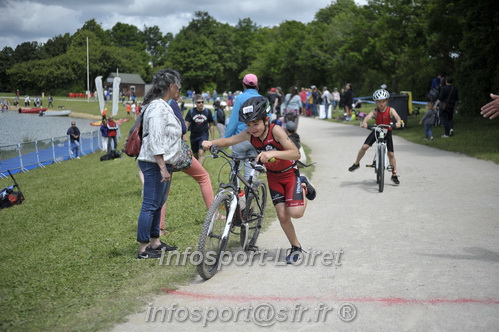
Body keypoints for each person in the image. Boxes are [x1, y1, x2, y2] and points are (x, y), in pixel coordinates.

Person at [202, 96, 316, 264]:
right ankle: (296, 247)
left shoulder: (275, 130)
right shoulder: (249, 134)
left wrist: (272, 153)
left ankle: (304, 184)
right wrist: (212, 142)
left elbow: (295, 153)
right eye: (248, 125)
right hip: (273, 178)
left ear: (266, 120)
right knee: (283, 216)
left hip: (290, 173)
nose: (252, 128)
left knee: (296, 213)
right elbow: (228, 141)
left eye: (255, 124)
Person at [136, 69, 182, 259]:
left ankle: (155, 242)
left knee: (158, 203)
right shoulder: (156, 107)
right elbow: (155, 138)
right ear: (171, 87)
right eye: (178, 86)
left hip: (162, 162)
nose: (179, 90)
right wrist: (162, 166)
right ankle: (144, 248)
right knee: (150, 204)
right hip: (154, 162)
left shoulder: (164, 106)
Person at [158, 93, 215, 235]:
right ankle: (215, 214)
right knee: (204, 177)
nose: (179, 93)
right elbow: (183, 128)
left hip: (158, 153)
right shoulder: (171, 103)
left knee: (163, 192)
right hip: (174, 152)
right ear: (171, 87)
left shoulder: (153, 103)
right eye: (178, 89)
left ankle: (159, 228)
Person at [348, 89, 402, 185]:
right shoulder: (375, 111)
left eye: (383, 101)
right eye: (379, 102)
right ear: (376, 102)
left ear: (387, 101)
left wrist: (398, 122)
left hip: (387, 132)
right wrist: (364, 122)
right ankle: (356, 163)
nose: (381, 104)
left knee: (391, 154)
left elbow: (397, 117)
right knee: (364, 147)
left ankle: (394, 174)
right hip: (377, 131)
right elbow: (368, 117)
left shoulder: (391, 110)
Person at [224, 73, 260, 180]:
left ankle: (238, 194)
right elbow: (268, 120)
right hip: (256, 140)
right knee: (250, 170)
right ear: (256, 85)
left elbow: (233, 121)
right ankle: (250, 193)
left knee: (235, 169)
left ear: (243, 85)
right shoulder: (262, 99)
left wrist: (226, 140)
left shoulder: (240, 98)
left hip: (240, 138)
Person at [185, 96, 215, 165]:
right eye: (199, 102)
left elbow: (211, 125)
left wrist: (212, 138)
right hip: (194, 135)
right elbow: (186, 124)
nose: (201, 104)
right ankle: (197, 170)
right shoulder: (191, 111)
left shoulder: (208, 111)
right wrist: (184, 135)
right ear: (196, 103)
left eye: (202, 102)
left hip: (203, 135)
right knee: (195, 155)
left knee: (201, 153)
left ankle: (200, 173)